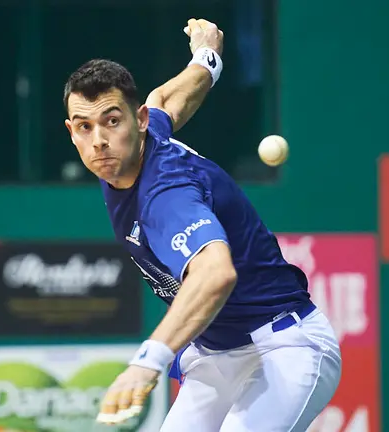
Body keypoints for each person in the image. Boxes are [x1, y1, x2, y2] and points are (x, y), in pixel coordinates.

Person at [62, 17, 342, 432]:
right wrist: (207, 58)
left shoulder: (167, 193)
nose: (99, 140)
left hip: (285, 347)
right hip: (217, 357)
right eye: (85, 127)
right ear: (72, 132)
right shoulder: (136, 143)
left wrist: (149, 361)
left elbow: (215, 274)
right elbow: (168, 99)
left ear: (138, 120)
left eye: (112, 121)